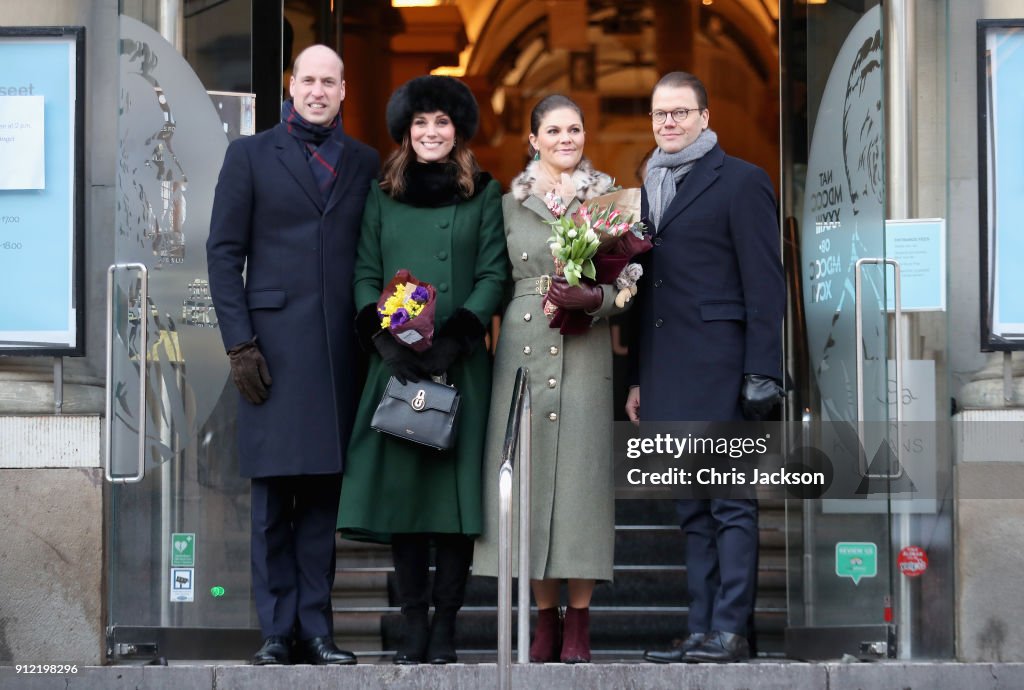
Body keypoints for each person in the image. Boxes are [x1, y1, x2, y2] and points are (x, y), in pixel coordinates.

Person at [205, 44, 379, 666]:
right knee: (274, 500)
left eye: (329, 81)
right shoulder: (249, 154)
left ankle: (319, 631)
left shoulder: (363, 162)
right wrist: (239, 342)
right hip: (270, 353)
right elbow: (223, 253)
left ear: (342, 91)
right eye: (308, 79)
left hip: (339, 352)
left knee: (323, 502)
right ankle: (277, 632)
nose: (317, 90)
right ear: (292, 85)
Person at [336, 75, 507, 665]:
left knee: (453, 506)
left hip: (458, 366)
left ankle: (446, 627)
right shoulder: (382, 194)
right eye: (420, 123)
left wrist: (458, 335)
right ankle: (412, 623)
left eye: (441, 122)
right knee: (406, 501)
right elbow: (363, 269)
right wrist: (383, 338)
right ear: (406, 132)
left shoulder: (484, 192)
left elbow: (494, 274)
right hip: (398, 366)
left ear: (457, 130)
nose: (431, 132)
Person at [628, 71, 785, 664]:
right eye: (659, 114)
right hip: (667, 371)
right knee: (691, 507)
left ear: (705, 116)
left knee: (730, 502)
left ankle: (732, 629)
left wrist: (763, 369)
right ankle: (701, 628)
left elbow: (766, 284)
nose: (668, 123)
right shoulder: (643, 190)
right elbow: (644, 295)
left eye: (680, 113)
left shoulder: (741, 181)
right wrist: (637, 379)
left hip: (723, 367)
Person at [472, 94, 628, 664]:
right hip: (523, 347)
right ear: (533, 138)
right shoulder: (507, 201)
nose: (567, 138)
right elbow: (489, 271)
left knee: (582, 485)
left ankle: (580, 622)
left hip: (585, 349)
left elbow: (630, 280)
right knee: (530, 480)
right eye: (555, 130)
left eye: (576, 129)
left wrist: (599, 298)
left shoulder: (608, 196)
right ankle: (544, 619)